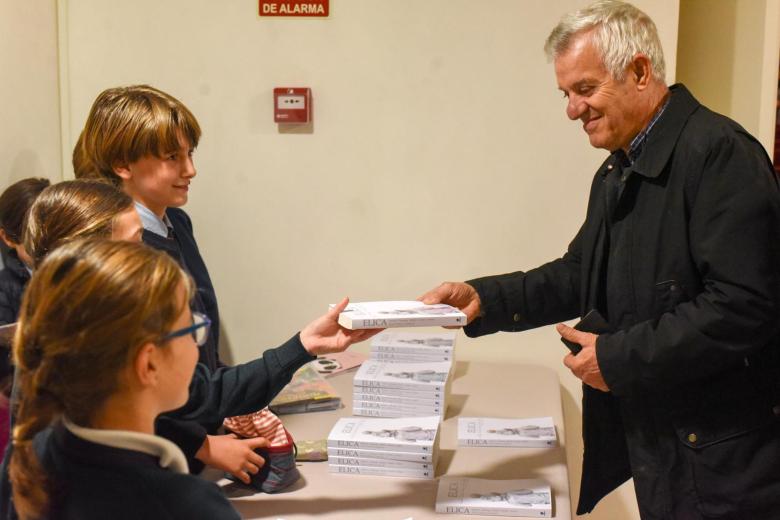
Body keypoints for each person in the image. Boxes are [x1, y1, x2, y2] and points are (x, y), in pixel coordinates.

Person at [421, 1, 780, 518]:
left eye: (585, 90)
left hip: (727, 464)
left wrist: (616, 359)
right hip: (670, 444)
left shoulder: (719, 153)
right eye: (565, 94)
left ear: (639, 71)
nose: (571, 109)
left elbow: (745, 306)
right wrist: (483, 299)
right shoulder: (620, 168)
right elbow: (579, 273)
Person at [8, 239, 237, 519]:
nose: (196, 342)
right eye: (191, 328)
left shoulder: (36, 455)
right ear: (149, 364)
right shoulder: (187, 506)